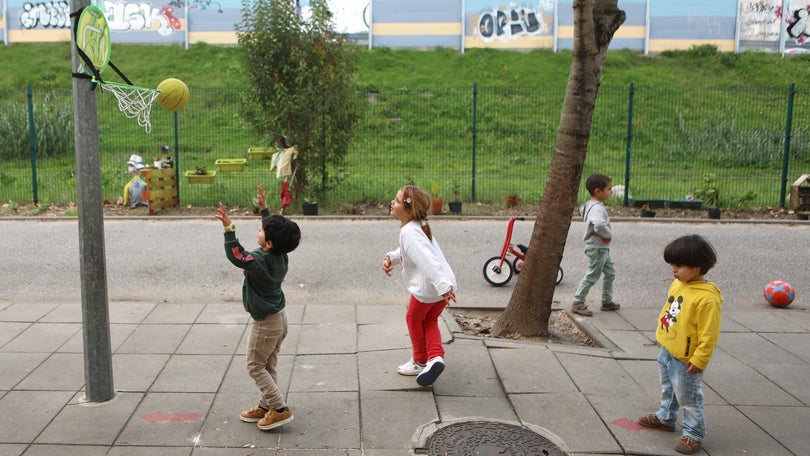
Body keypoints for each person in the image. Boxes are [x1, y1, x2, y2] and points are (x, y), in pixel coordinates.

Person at [215, 184, 301, 431]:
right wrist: (265, 210)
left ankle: (279, 409)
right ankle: (266, 405)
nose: (260, 229)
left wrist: (228, 228)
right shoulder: (281, 254)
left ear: (270, 243)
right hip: (279, 320)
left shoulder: (259, 260)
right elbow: (276, 234)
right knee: (268, 366)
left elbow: (237, 255)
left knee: (254, 366)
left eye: (262, 229)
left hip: (266, 323)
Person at [638, 234, 722, 454]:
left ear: (698, 266)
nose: (673, 270)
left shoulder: (707, 299)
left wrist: (700, 358)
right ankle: (666, 417)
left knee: (688, 396)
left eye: (679, 265)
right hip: (668, 350)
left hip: (687, 358)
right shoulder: (679, 283)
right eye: (671, 265)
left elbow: (709, 334)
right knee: (669, 387)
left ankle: (694, 433)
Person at [381, 185, 457, 386]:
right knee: (429, 320)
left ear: (410, 210)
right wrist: (391, 257)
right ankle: (435, 358)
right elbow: (411, 252)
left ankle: (420, 360)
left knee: (413, 319)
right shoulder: (419, 226)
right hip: (443, 287)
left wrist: (441, 286)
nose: (392, 202)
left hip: (431, 288)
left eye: (397, 201)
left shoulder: (410, 232)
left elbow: (425, 260)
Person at [571, 173, 620, 316]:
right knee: (592, 276)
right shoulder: (597, 208)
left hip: (601, 249)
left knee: (610, 273)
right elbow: (598, 223)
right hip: (598, 248)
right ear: (598, 191)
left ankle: (606, 301)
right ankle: (578, 302)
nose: (611, 191)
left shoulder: (589, 205)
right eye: (609, 189)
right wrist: (607, 235)